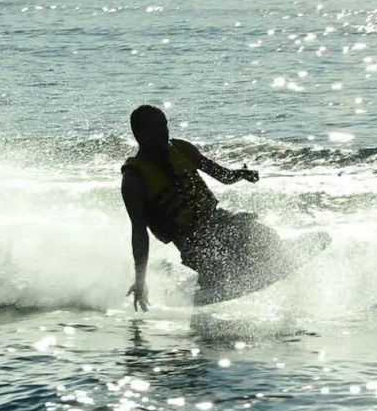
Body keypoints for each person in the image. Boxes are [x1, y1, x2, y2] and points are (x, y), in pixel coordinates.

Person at [120, 104, 279, 310]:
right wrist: (141, 280)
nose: (164, 131)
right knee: (220, 267)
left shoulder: (182, 149)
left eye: (165, 125)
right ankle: (208, 282)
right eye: (157, 127)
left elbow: (222, 175)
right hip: (192, 243)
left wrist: (241, 174)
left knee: (267, 238)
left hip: (219, 221)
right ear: (140, 134)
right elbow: (139, 233)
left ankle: (230, 272)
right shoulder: (134, 179)